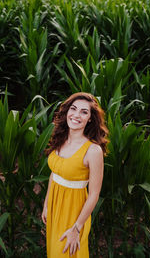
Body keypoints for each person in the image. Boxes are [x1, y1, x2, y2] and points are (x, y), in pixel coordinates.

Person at [42, 92, 109, 257]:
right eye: (73, 109)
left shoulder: (93, 151)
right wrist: (46, 203)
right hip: (54, 206)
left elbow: (94, 194)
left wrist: (76, 228)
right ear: (67, 112)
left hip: (74, 212)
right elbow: (54, 174)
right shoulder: (61, 139)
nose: (76, 115)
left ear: (90, 118)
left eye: (84, 112)